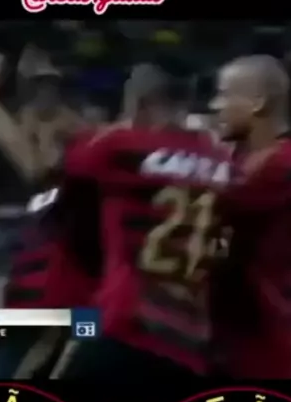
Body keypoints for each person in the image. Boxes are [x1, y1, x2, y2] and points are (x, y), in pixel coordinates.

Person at [49, 64, 232, 380]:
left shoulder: (119, 146)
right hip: (189, 342)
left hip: (124, 324)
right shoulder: (223, 160)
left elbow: (48, 172)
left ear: (140, 100)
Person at [0, 29, 101, 378]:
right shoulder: (45, 201)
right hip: (42, 320)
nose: (30, 121)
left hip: (78, 323)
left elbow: (33, 165)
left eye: (46, 86)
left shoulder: (84, 155)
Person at [208, 54, 291, 379]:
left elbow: (206, 201)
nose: (215, 106)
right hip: (237, 333)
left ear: (257, 103)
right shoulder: (275, 156)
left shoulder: (280, 164)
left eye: (224, 94)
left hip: (264, 343)